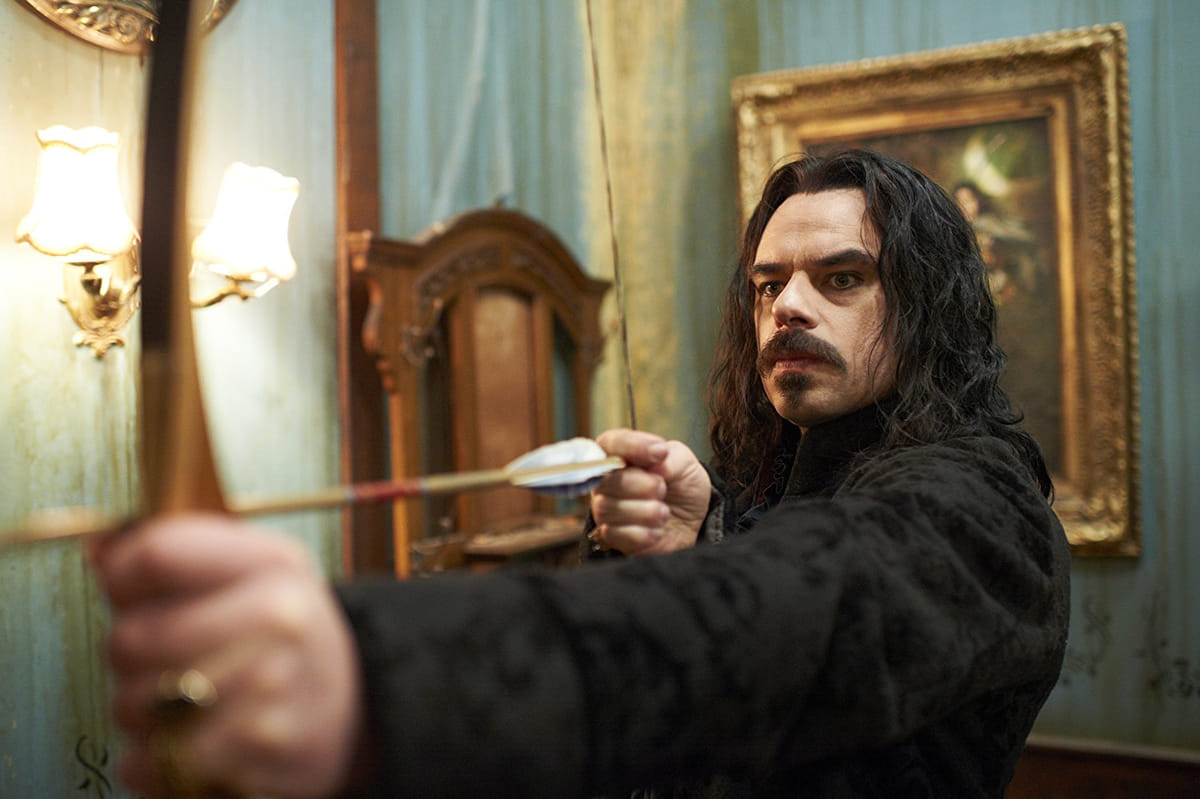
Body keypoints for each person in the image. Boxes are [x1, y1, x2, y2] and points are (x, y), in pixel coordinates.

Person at [91, 149, 1069, 798]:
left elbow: (798, 610)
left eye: (842, 277)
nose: (788, 308)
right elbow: (781, 570)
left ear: (926, 306)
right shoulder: (804, 466)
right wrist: (708, 529)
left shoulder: (982, 506)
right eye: (769, 284)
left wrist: (376, 678)